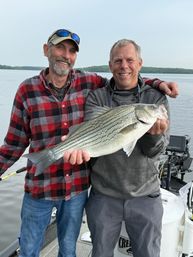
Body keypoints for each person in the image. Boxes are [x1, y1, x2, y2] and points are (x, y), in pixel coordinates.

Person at [0, 29, 176, 257]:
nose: (65, 55)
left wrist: (156, 83)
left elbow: (127, 78)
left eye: (71, 51)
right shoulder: (30, 89)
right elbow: (13, 143)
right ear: (46, 50)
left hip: (77, 189)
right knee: (29, 250)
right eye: (60, 48)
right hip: (41, 188)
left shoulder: (91, 82)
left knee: (69, 251)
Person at [64, 39, 170, 257]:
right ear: (110, 65)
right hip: (104, 196)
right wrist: (77, 148)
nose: (124, 66)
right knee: (101, 253)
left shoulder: (155, 98)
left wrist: (155, 135)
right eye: (118, 61)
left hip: (145, 196)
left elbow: (154, 152)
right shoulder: (97, 96)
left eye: (130, 60)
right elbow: (94, 141)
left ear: (140, 63)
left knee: (148, 253)